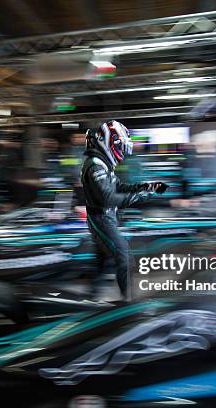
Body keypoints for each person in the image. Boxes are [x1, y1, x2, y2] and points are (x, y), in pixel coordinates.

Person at [81, 120, 165, 301]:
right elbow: (108, 198)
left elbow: (119, 186)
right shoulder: (95, 164)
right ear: (110, 142)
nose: (121, 154)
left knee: (104, 262)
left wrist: (146, 186)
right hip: (100, 219)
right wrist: (142, 196)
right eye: (120, 148)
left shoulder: (102, 163)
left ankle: (90, 300)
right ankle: (128, 303)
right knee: (124, 256)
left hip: (106, 218)